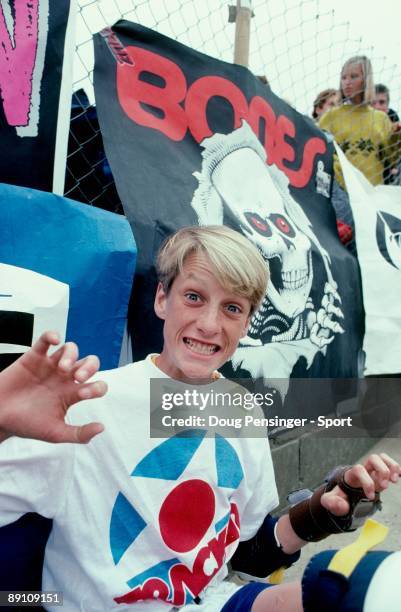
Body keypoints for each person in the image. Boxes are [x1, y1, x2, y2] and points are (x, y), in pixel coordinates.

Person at [0, 225, 399, 612]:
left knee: (363, 588)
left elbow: (248, 555)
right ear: (161, 298)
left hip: (209, 601)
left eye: (232, 308)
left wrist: (321, 512)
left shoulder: (240, 409)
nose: (210, 325)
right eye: (193, 296)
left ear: (246, 324)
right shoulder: (89, 403)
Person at [372, 84, 401, 183]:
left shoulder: (394, 121)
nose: (377, 107)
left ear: (387, 104)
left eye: (382, 102)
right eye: (373, 103)